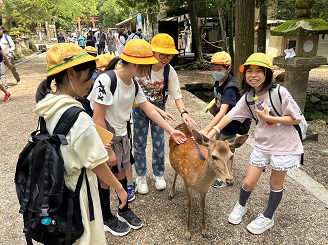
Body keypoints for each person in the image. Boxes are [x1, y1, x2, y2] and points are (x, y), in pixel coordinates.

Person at [87, 39, 187, 236]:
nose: (149, 71)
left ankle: (123, 209)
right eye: (147, 66)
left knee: (123, 172)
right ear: (135, 64)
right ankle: (107, 217)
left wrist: (171, 131)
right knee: (106, 179)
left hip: (122, 135)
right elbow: (97, 118)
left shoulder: (133, 83)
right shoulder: (106, 81)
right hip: (106, 137)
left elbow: (148, 108)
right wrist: (107, 150)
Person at [33, 43, 128, 244]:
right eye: (88, 76)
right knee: (85, 236)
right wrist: (119, 188)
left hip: (56, 185)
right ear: (71, 73)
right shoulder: (78, 116)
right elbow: (96, 164)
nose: (91, 82)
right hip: (78, 190)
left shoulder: (48, 107)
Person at [203, 53, 303, 235]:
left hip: (283, 145)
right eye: (249, 71)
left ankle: (268, 216)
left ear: (267, 73)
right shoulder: (249, 97)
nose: (253, 75)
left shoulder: (280, 92)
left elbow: (295, 119)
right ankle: (241, 205)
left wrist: (267, 117)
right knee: (249, 181)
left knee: (275, 183)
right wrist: (212, 132)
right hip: (263, 144)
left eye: (259, 71)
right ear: (245, 74)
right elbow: (229, 116)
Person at [133, 33, 196, 195]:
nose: (166, 58)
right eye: (162, 54)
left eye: (169, 55)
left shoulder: (169, 71)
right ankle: (140, 175)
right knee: (139, 143)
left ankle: (158, 173)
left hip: (159, 108)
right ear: (153, 52)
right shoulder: (141, 68)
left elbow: (177, 95)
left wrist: (184, 112)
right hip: (139, 108)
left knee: (159, 141)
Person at [199, 51, 239, 188]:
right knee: (218, 150)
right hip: (220, 125)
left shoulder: (230, 88)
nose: (216, 72)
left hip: (229, 125)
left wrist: (207, 128)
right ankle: (219, 170)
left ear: (228, 69)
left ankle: (228, 175)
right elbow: (218, 100)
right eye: (214, 69)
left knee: (227, 152)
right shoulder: (218, 81)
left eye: (220, 69)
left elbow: (223, 111)